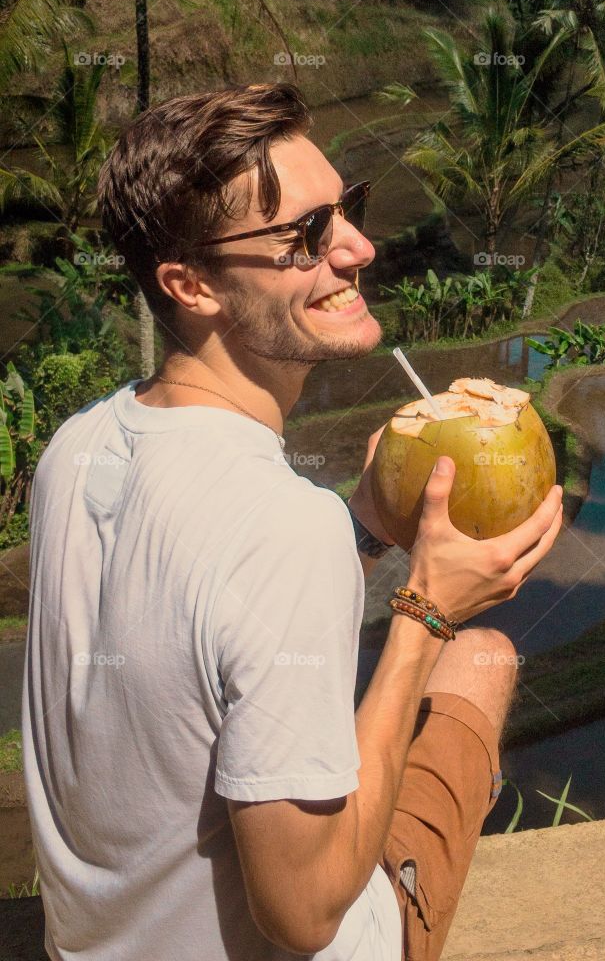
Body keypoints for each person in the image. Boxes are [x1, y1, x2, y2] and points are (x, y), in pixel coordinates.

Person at [21, 82, 563, 961]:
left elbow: (203, 607)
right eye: (304, 235)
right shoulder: (280, 527)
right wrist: (427, 613)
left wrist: (364, 524)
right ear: (189, 283)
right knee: (485, 658)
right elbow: (302, 911)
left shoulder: (79, 444)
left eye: (346, 209)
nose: (357, 247)